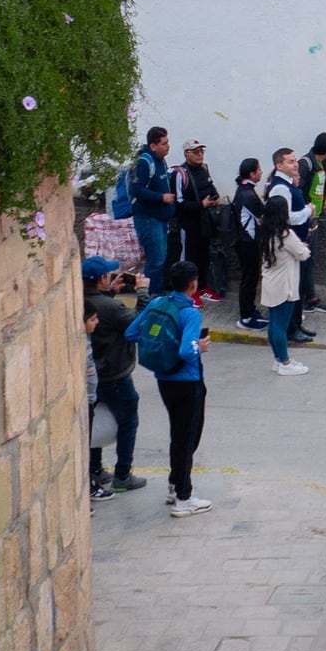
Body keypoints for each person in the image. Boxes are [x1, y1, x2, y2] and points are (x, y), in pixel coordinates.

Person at [126, 259, 213, 516]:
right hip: (188, 382)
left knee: (178, 434)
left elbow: (131, 332)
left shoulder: (156, 303)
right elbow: (188, 350)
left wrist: (160, 342)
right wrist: (200, 346)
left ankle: (176, 485)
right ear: (193, 285)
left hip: (164, 380)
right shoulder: (190, 313)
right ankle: (183, 497)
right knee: (187, 438)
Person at [81, 257, 146, 500]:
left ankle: (95, 470)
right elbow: (137, 322)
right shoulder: (109, 308)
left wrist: (111, 294)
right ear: (101, 279)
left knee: (93, 421)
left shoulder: (87, 301)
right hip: (115, 374)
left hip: (94, 373)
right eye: (108, 274)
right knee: (128, 421)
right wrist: (142, 292)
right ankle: (122, 475)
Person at [259, 195, 312, 376]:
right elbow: (303, 254)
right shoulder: (285, 234)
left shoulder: (266, 232)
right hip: (285, 285)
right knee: (281, 326)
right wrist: (303, 246)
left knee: (274, 324)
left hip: (270, 282)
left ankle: (278, 358)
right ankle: (285, 362)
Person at [126, 128, 178, 307]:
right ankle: (149, 297)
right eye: (164, 144)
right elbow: (136, 190)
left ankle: (157, 294)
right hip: (148, 218)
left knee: (161, 257)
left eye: (168, 142)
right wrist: (161, 197)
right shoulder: (144, 162)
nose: (168, 146)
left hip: (161, 218)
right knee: (155, 259)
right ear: (153, 146)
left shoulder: (161, 161)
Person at [172, 140, 223, 303]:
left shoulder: (204, 169)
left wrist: (214, 199)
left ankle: (201, 287)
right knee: (189, 259)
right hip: (188, 224)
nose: (200, 154)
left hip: (204, 222)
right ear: (186, 154)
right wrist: (201, 204)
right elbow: (178, 203)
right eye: (195, 152)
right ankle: (186, 293)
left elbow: (211, 188)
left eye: (201, 151)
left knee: (204, 256)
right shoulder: (180, 174)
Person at [298, 132, 326, 313]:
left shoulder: (323, 163)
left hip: (316, 214)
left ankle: (310, 296)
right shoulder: (306, 165)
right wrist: (309, 208)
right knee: (307, 259)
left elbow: (320, 186)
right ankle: (307, 298)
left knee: (311, 259)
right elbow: (301, 190)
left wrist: (322, 204)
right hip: (307, 218)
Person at [232, 157, 270, 329]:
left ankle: (250, 309)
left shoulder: (245, 190)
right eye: (259, 169)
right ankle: (246, 316)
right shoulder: (247, 194)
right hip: (247, 242)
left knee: (252, 277)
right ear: (252, 173)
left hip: (247, 240)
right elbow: (263, 214)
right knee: (249, 278)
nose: (261, 172)